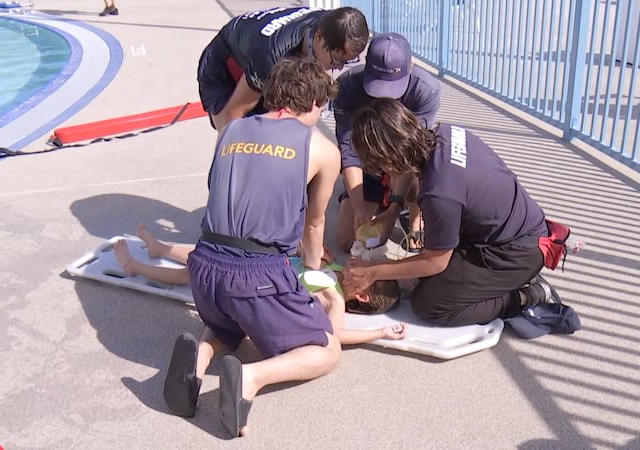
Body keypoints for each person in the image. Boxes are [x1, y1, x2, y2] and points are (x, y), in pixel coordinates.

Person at [162, 57, 344, 439]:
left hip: (205, 267)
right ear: (314, 103)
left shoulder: (231, 129)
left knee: (230, 327)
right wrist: (312, 278)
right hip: (256, 277)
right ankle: (250, 377)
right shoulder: (321, 148)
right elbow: (314, 224)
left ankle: (200, 357)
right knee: (327, 350)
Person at [342, 98, 554, 327]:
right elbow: (408, 163)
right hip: (513, 229)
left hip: (514, 253)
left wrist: (373, 272)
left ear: (388, 161)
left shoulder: (440, 194)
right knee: (423, 276)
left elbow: (435, 262)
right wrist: (393, 208)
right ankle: (502, 281)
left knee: (429, 304)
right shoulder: (445, 134)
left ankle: (525, 295)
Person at [112, 224, 401, 314]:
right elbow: (306, 253)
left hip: (259, 278)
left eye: (368, 274)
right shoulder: (337, 269)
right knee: (212, 251)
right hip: (266, 260)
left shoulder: (331, 298)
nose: (363, 267)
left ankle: (135, 266)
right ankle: (160, 249)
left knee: (195, 273)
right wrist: (310, 251)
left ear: (362, 295)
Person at [333, 33, 442, 253]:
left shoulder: (426, 90)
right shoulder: (346, 87)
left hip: (404, 165)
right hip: (369, 165)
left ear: (410, 66)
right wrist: (359, 206)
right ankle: (377, 202)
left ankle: (412, 212)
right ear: (366, 66)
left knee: (420, 179)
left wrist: (395, 205)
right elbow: (348, 149)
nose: (385, 97)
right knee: (347, 241)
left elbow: (413, 155)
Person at [198, 6, 369, 131]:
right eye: (337, 59)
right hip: (224, 63)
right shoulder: (271, 56)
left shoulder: (331, 24)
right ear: (318, 37)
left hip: (258, 51)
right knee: (238, 131)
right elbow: (233, 114)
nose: (338, 67)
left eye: (348, 61)